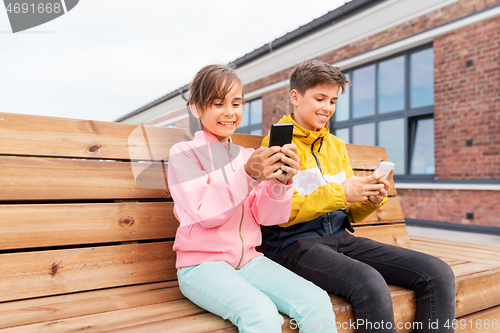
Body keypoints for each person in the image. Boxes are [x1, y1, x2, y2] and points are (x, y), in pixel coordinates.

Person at [261, 60, 456, 333]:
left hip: (341, 239)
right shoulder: (279, 144)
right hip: (294, 244)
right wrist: (341, 193)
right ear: (295, 97)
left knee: (436, 272)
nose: (327, 108)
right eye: (320, 98)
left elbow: (348, 212)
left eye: (333, 101)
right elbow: (280, 214)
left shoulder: (336, 146)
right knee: (370, 283)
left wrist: (370, 199)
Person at [168, 64, 337, 333]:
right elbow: (207, 215)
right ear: (196, 108)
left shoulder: (248, 156)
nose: (229, 112)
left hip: (248, 261)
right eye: (217, 103)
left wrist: (281, 182)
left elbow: (270, 218)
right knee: (262, 315)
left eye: (236, 103)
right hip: (201, 267)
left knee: (316, 301)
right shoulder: (184, 154)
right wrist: (248, 176)